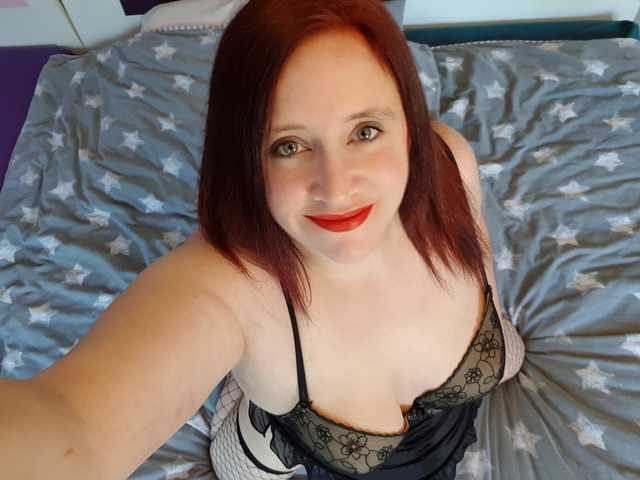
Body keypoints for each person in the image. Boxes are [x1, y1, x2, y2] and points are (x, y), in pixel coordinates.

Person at [0, 0, 525, 479]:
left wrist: (494, 352)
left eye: (365, 131)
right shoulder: (230, 282)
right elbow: (74, 431)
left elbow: (481, 282)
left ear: (408, 124)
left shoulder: (449, 160)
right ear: (246, 158)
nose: (336, 189)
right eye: (288, 145)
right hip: (264, 453)